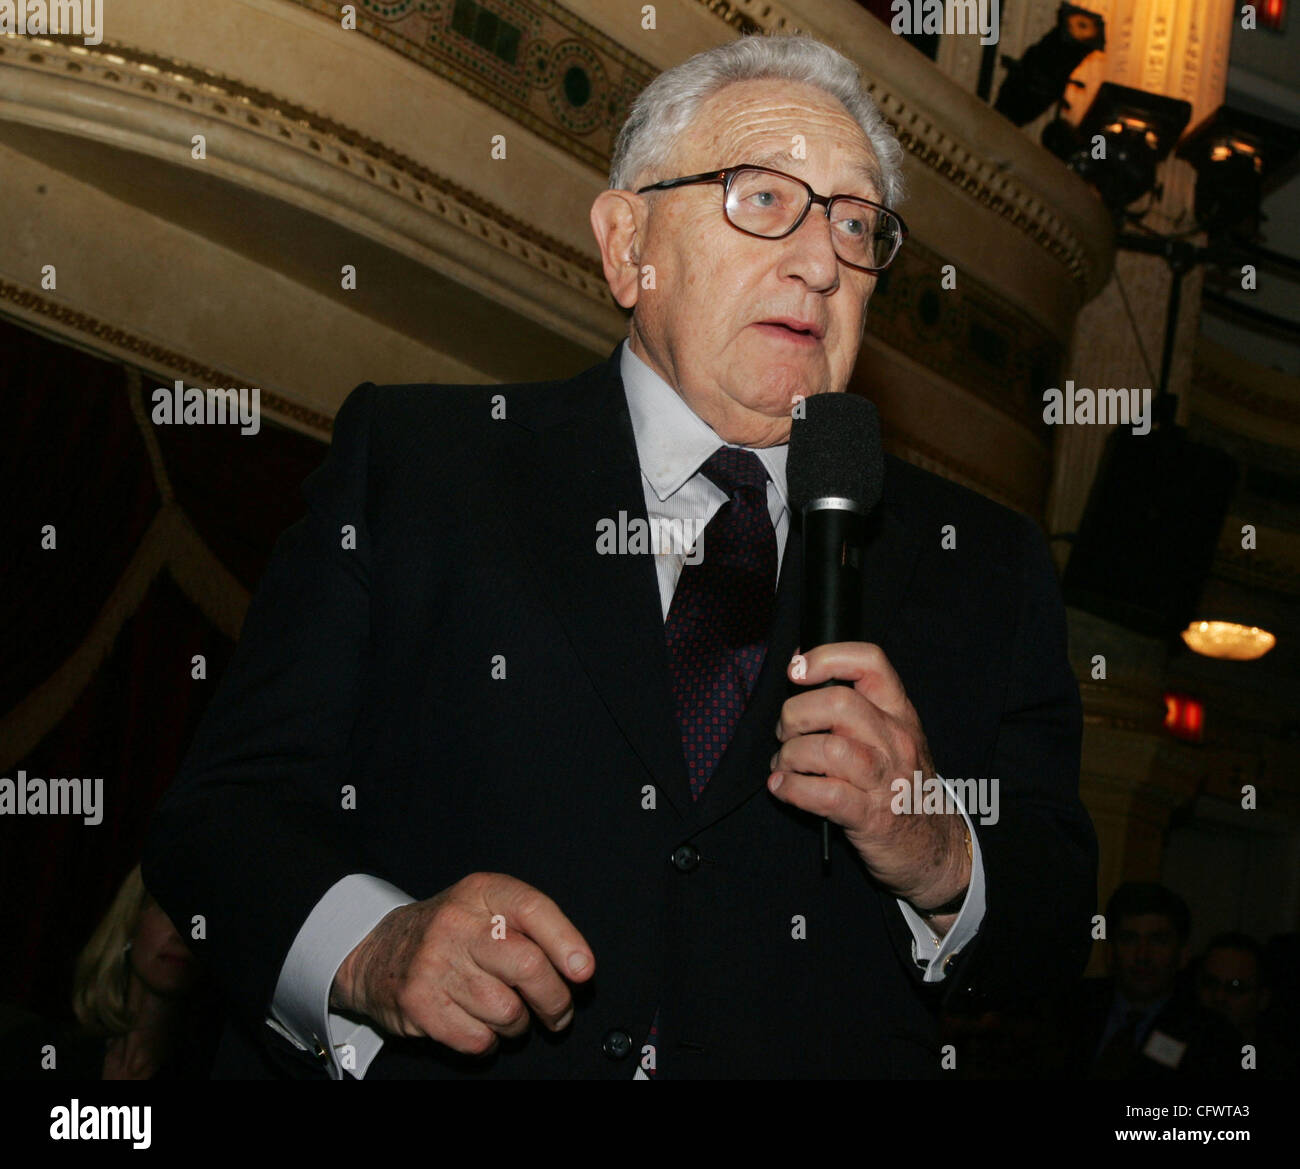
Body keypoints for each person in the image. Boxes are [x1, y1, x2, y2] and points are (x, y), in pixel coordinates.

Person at [141, 33, 1097, 1080]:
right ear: (625, 244)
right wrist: (373, 950)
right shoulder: (420, 466)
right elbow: (219, 820)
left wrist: (943, 852)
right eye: (764, 198)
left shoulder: (983, 565)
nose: (823, 262)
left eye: (857, 224)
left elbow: (1052, 927)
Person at [0, 865, 217, 1079]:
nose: (182, 934)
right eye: (169, 910)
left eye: (199, 920)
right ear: (131, 921)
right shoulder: (37, 1051)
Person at [1057, 882, 1240, 1078]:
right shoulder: (1067, 1008)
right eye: (1129, 939)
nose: (1142, 955)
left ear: (1183, 954)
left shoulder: (1211, 1038)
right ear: (1110, 951)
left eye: (1158, 940)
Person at [1196, 932, 1297, 1078]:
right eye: (1210, 983)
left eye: (1235, 987)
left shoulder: (1276, 1066)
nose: (1219, 997)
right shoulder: (1177, 1044)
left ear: (1263, 998)